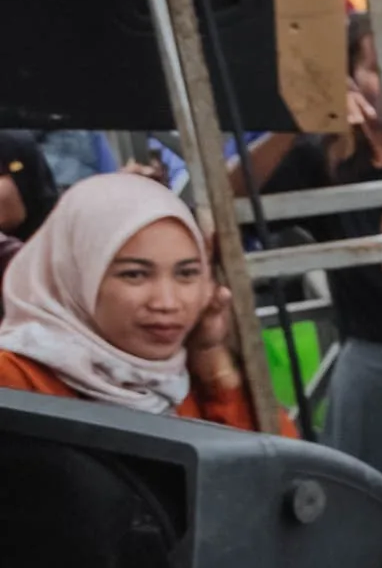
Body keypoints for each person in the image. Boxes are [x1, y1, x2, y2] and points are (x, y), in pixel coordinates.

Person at [0, 172, 256, 426]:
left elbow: (271, 460)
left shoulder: (183, 374)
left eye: (186, 274)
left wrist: (212, 357)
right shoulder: (14, 381)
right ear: (74, 276)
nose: (167, 303)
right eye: (134, 275)